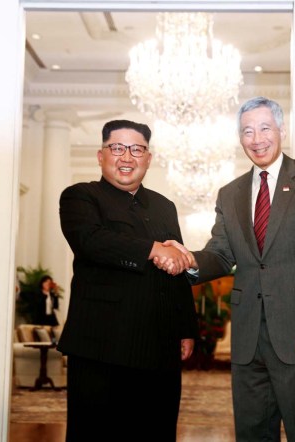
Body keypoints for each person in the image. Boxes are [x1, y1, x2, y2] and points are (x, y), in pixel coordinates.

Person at [157, 97, 295, 441]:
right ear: (240, 138)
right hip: (246, 337)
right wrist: (190, 259)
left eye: (264, 128)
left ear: (281, 130)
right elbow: (221, 254)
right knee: (252, 433)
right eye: (247, 131)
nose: (256, 138)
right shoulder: (229, 194)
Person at [57, 119, 199, 441]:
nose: (126, 157)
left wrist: (187, 328)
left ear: (148, 158)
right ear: (100, 155)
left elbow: (176, 267)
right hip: (101, 346)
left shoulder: (165, 206)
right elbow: (91, 241)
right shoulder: (81, 197)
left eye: (137, 149)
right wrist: (152, 248)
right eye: (117, 148)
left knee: (157, 431)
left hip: (161, 348)